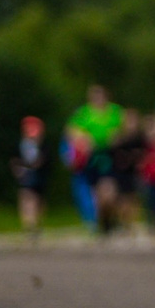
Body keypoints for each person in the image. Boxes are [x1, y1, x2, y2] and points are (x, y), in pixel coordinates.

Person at [66, 85, 123, 233]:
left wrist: (117, 137)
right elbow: (71, 131)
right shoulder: (84, 113)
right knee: (96, 195)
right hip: (91, 158)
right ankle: (101, 223)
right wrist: (84, 140)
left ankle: (109, 220)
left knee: (109, 193)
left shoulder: (115, 111)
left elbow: (125, 130)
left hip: (110, 157)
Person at [11, 115, 51, 238]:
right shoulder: (20, 145)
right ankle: (29, 225)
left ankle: (36, 224)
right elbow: (14, 160)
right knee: (26, 198)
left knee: (38, 201)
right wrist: (18, 170)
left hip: (39, 178)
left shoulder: (43, 147)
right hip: (25, 178)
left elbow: (44, 162)